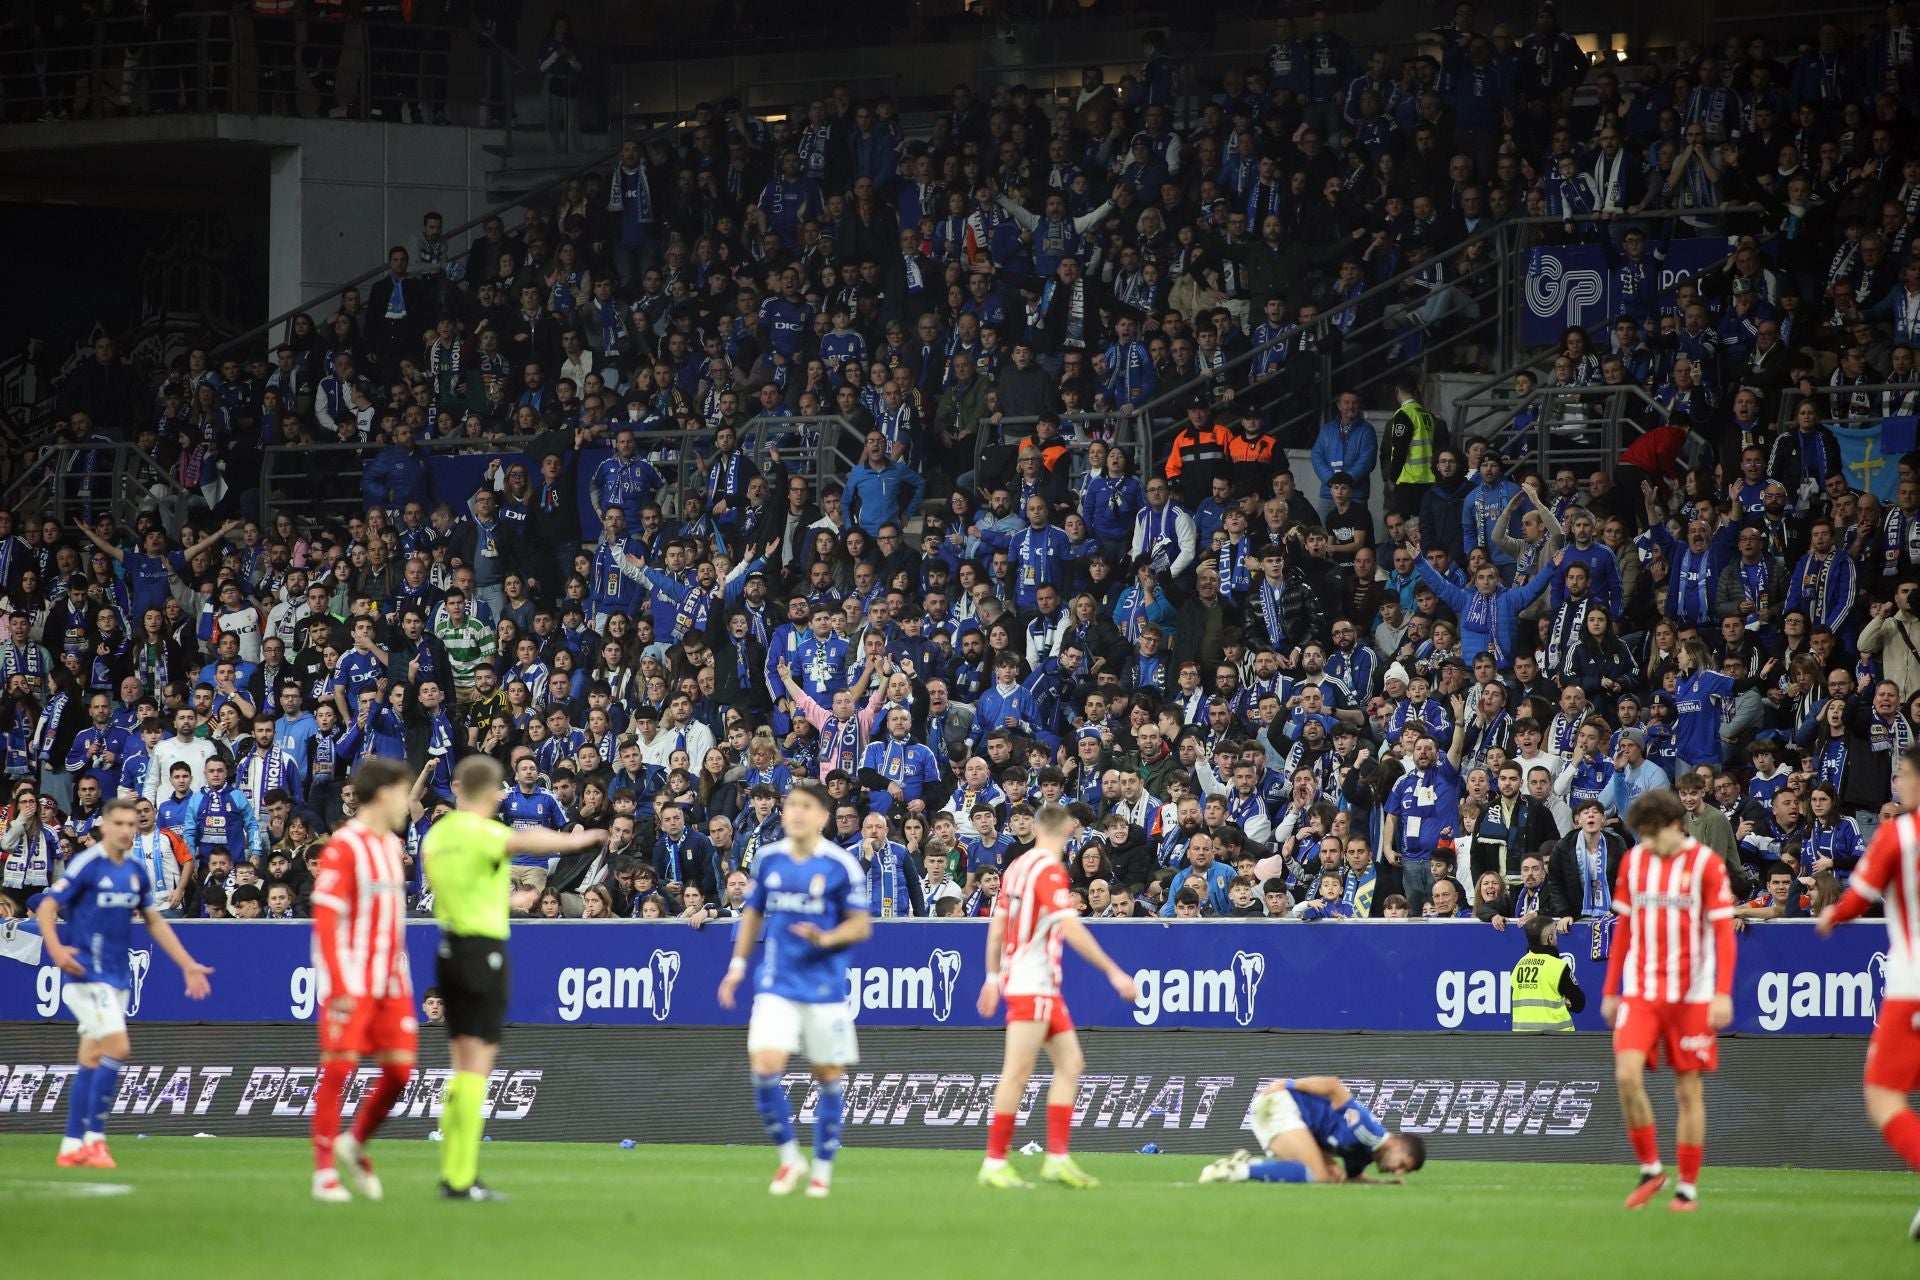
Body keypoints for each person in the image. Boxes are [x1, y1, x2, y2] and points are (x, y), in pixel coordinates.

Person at [423, 754, 605, 1201]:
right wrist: (577, 839)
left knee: (460, 1064)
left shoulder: (437, 835)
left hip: (448, 948)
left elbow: (464, 885)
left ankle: (453, 1169)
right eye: (499, 790)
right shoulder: (484, 831)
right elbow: (530, 839)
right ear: (489, 793)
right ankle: (461, 1178)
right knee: (476, 1069)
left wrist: (513, 898)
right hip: (481, 951)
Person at [717, 777, 873, 1198]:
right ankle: (790, 1159)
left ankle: (822, 1168)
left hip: (825, 988)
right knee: (764, 1068)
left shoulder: (841, 865)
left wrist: (824, 938)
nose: (796, 813)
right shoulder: (768, 859)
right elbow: (752, 914)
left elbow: (861, 924)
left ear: (823, 817)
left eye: (806, 806)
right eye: (791, 805)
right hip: (776, 984)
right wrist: (737, 966)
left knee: (827, 1076)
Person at [40, 796, 213, 1169]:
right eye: (119, 823)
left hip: (117, 977)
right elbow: (47, 906)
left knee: (90, 1056)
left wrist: (187, 964)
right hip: (87, 973)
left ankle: (71, 1145)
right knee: (117, 1048)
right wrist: (56, 949)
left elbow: (154, 921)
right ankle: (96, 1141)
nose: (126, 830)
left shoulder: (135, 869)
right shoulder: (87, 863)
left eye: (132, 824)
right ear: (103, 826)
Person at [974, 801, 1138, 1190]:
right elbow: (1071, 928)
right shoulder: (1049, 870)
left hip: (1033, 982)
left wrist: (993, 976)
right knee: (1017, 1072)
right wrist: (1114, 971)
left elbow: (997, 928)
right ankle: (994, 1162)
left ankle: (1056, 1159)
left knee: (1071, 1063)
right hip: (1033, 983)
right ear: (1064, 830)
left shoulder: (1015, 868)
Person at [1604, 788, 1736, 1212]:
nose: (1644, 842)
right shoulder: (1634, 861)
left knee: (1687, 1091)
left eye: (1650, 833)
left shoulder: (1705, 865)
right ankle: (1650, 1168)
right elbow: (1623, 928)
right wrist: (1610, 991)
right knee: (1626, 1075)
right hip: (1641, 990)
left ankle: (1687, 1189)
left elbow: (1722, 933)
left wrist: (1721, 991)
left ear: (1674, 826)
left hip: (1691, 995)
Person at [1817, 744, 1920, 1239]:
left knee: (1883, 1096)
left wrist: (1828, 916)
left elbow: (1858, 898)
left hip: (1913, 985)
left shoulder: (1899, 835)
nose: (1897, 783)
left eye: (1903, 774)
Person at [308, 757, 417, 1203]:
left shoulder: (391, 846)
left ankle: (354, 1142)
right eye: (403, 793)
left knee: (400, 1072)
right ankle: (324, 1175)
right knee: (338, 1068)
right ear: (383, 794)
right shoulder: (344, 846)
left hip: (391, 978)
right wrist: (336, 983)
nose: (408, 804)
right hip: (351, 976)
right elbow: (326, 920)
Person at [1196, 1075, 1427, 1184]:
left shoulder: (1367, 1152)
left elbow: (1350, 1179)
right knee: (1319, 1175)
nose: (1397, 1171)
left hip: (1291, 1117)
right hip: (1281, 1105)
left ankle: (1247, 1164)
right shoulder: (1367, 1131)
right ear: (1396, 1145)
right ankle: (1239, 1170)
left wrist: (1383, 1185)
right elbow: (1333, 1086)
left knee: (1334, 1175)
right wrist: (1287, 1084)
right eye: (1402, 1165)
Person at [1509, 915, 1584, 1031]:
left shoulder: (1519, 965)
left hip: (1523, 1040)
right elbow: (1579, 1003)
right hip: (1556, 1040)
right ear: (1550, 938)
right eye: (1555, 934)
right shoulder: (1558, 966)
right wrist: (1567, 1002)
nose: (1556, 938)